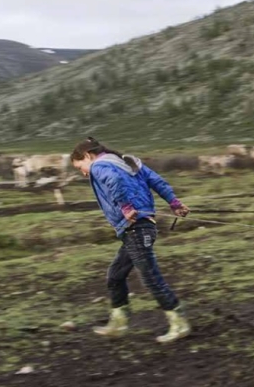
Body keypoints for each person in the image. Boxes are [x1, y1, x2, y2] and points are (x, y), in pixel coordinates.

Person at [70, 137, 191, 343]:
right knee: (115, 275)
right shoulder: (128, 161)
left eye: (80, 167)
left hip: (136, 227)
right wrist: (174, 203)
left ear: (88, 156)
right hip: (140, 227)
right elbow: (156, 180)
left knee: (150, 277)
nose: (83, 173)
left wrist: (125, 207)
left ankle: (179, 322)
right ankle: (118, 322)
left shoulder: (99, 165)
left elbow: (114, 181)